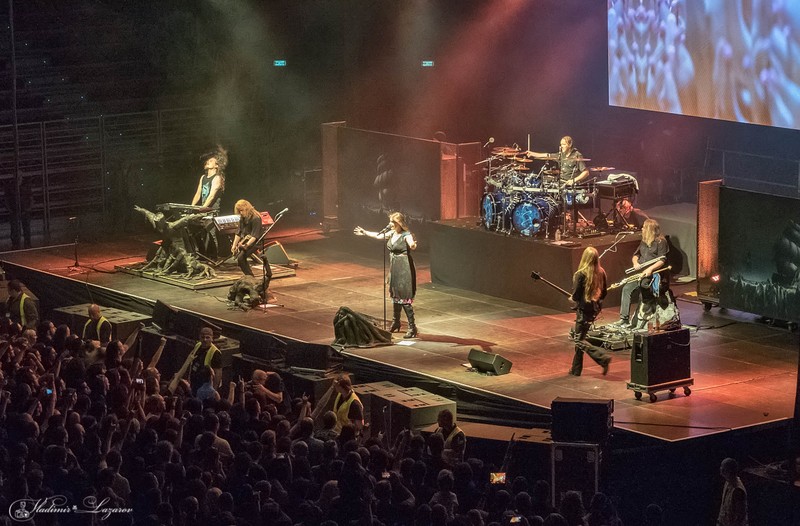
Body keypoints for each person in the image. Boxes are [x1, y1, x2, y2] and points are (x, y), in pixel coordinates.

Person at [354, 211, 418, 338]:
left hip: (404, 267)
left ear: (399, 223)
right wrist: (365, 232)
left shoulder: (406, 234)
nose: (391, 224)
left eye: (393, 222)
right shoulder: (392, 233)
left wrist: (413, 244)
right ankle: (396, 322)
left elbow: (411, 244)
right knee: (395, 295)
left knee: (403, 297)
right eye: (390, 222)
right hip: (394, 266)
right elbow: (378, 236)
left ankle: (412, 327)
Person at [611, 218, 669, 328]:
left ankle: (648, 304)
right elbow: (636, 255)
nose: (641, 229)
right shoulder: (644, 241)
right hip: (641, 271)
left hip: (652, 272)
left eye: (643, 228)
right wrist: (635, 263)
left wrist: (650, 269)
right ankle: (624, 318)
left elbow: (662, 260)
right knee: (626, 288)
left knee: (643, 285)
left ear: (649, 229)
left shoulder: (661, 241)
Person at [569, 247, 611, 376]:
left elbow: (576, 296)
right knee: (580, 337)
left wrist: (572, 299)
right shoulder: (601, 272)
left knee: (578, 340)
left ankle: (602, 358)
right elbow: (604, 293)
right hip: (594, 309)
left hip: (583, 310)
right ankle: (576, 370)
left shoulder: (580, 274)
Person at [168, 326, 222, 395]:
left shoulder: (215, 352)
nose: (204, 340)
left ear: (212, 338)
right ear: (199, 337)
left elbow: (218, 374)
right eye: (202, 337)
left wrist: (213, 391)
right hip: (194, 382)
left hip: (205, 386)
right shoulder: (198, 345)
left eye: (207, 337)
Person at [231, 199, 265, 278]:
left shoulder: (256, 218)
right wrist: (234, 246)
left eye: (242, 210)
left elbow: (254, 236)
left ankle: (250, 277)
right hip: (246, 241)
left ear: (247, 208)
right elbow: (238, 233)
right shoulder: (242, 218)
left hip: (255, 243)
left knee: (241, 258)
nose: (240, 213)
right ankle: (249, 275)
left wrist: (246, 245)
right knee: (241, 259)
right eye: (239, 211)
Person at [191, 146, 227, 210]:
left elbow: (211, 196)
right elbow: (198, 194)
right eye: (208, 161)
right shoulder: (203, 177)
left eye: (211, 161)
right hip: (204, 209)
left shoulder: (217, 178)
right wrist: (191, 207)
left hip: (212, 211)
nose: (208, 162)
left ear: (216, 165)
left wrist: (202, 208)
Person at [717, 457, 748, 526]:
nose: (721, 471)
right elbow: (724, 507)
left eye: (723, 469)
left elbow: (739, 517)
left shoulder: (737, 490)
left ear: (729, 471)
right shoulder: (727, 482)